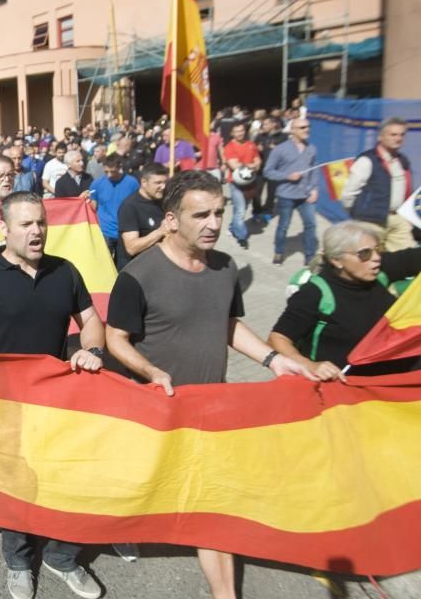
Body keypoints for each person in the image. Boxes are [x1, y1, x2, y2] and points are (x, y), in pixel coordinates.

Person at [104, 171, 338, 599]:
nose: (213, 223)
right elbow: (114, 338)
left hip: (211, 409)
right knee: (142, 486)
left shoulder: (226, 267)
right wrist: (152, 372)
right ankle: (125, 526)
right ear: (171, 221)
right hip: (155, 411)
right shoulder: (137, 276)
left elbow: (228, 324)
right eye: (201, 215)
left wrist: (273, 360)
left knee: (214, 504)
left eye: (218, 212)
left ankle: (224, 594)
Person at [0, 192, 105, 599]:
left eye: (41, 222)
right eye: (26, 224)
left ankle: (62, 556)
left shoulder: (65, 272)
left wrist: (91, 352)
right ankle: (19, 561)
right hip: (4, 408)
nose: (37, 231)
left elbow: (90, 320)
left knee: (67, 478)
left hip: (58, 402)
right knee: (16, 486)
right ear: (3, 229)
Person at [269, 221, 421, 376]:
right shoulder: (315, 293)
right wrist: (309, 365)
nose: (376, 258)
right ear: (337, 260)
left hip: (391, 377)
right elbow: (278, 338)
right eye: (365, 253)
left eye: (378, 249)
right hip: (344, 387)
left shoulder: (380, 268)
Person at [340, 117, 415, 251]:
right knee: (369, 262)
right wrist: (360, 215)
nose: (398, 138)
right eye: (393, 134)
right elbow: (348, 194)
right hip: (371, 221)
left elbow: (407, 190)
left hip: (398, 220)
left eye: (401, 134)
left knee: (408, 260)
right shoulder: (367, 160)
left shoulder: (402, 160)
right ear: (380, 137)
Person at [263, 118, 319, 265]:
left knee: (311, 225)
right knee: (283, 226)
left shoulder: (312, 148)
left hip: (305, 195)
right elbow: (268, 171)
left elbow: (315, 171)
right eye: (302, 127)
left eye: (308, 126)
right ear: (292, 131)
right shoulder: (280, 149)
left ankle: (310, 257)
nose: (306, 129)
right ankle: (279, 252)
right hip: (286, 195)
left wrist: (314, 189)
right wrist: (287, 176)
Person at [116, 163, 169, 269]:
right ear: (144, 182)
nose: (163, 187)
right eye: (158, 183)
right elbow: (132, 247)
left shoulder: (164, 201)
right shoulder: (130, 206)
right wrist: (160, 232)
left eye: (165, 182)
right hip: (136, 270)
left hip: (158, 266)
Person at [222, 122, 262, 249]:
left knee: (242, 209)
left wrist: (254, 164)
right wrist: (251, 165)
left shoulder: (251, 145)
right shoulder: (229, 147)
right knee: (240, 211)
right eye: (237, 131)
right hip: (236, 183)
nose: (240, 133)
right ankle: (242, 237)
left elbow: (258, 160)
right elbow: (234, 165)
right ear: (232, 133)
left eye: (242, 130)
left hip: (250, 183)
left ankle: (232, 227)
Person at [92, 154, 140, 259]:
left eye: (112, 171)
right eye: (106, 172)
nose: (109, 175)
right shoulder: (97, 184)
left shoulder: (132, 183)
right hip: (105, 232)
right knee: (104, 263)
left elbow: (138, 204)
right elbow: (92, 207)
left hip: (125, 231)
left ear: (120, 167)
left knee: (123, 264)